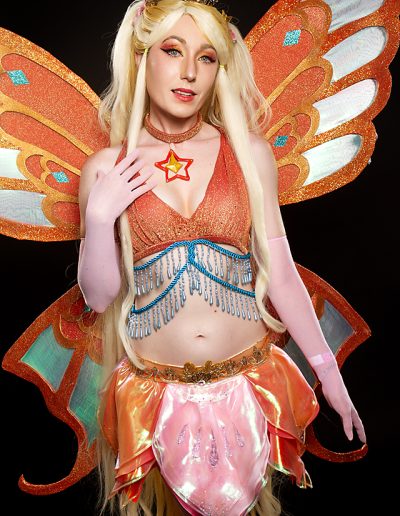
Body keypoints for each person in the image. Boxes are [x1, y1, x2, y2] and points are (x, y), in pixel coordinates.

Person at [77, 1, 366, 514]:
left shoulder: (249, 153)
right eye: (173, 51)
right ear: (142, 57)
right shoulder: (106, 168)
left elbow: (282, 275)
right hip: (158, 399)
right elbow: (99, 299)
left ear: (219, 69)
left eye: (207, 57)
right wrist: (99, 219)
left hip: (249, 387)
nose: (190, 72)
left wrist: (330, 376)